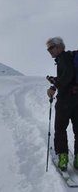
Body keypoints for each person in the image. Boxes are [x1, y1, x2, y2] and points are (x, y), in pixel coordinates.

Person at [46, 37, 78, 171]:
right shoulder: (72, 57)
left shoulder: (64, 58)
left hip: (66, 99)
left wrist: (54, 86)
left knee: (60, 129)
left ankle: (63, 159)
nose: (49, 51)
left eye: (51, 48)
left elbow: (67, 76)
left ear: (59, 47)